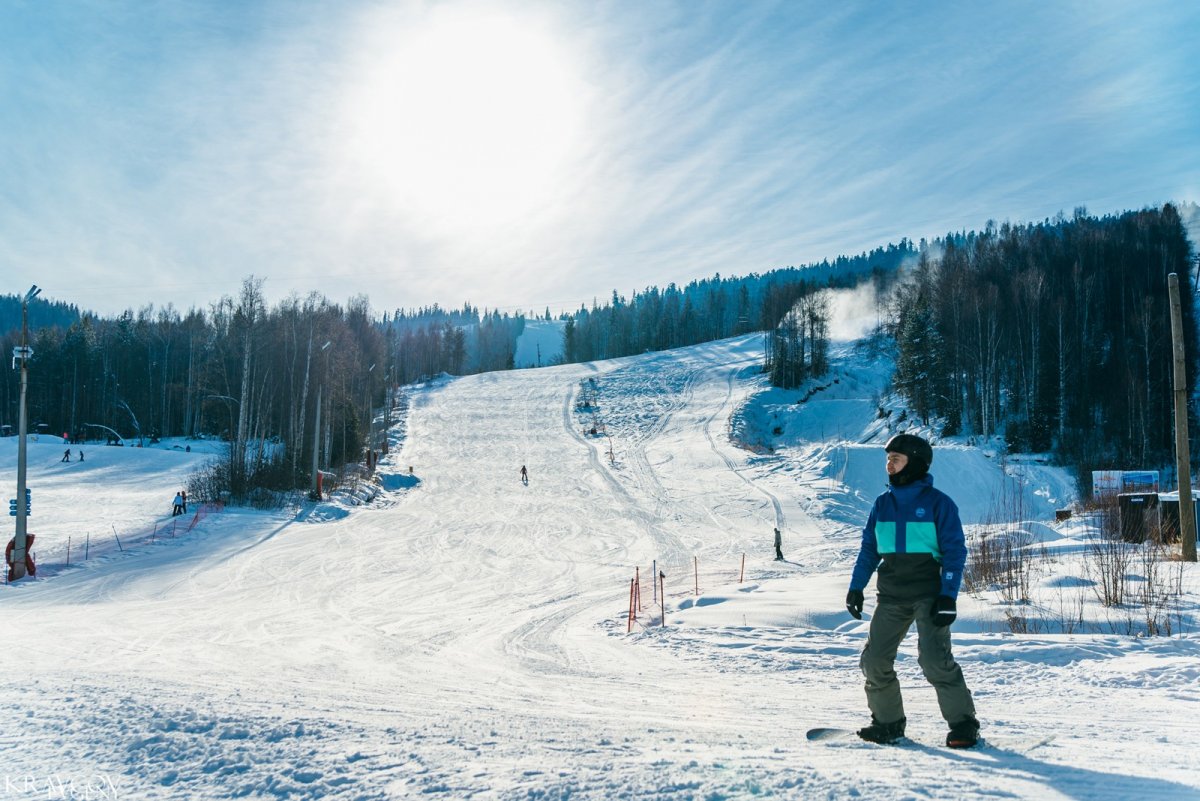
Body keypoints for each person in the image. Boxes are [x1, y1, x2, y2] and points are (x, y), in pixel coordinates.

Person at [845, 433, 979, 748]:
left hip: (929, 593)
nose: (889, 465)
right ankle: (888, 723)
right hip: (891, 594)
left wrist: (948, 595)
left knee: (934, 660)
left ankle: (964, 724)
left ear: (915, 463)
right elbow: (869, 550)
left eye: (896, 459)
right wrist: (856, 587)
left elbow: (954, 552)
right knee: (875, 660)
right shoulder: (883, 504)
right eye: (888, 459)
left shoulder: (938, 504)